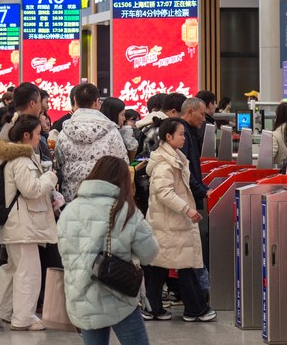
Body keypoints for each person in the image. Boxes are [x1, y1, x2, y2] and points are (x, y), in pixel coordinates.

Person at [57, 156, 159, 344]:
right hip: (119, 295)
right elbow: (149, 253)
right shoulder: (125, 210)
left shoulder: (69, 210)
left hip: (81, 296)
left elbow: (65, 252)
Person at [0, 115, 58, 332]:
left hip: (19, 223)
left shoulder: (16, 158)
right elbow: (31, 190)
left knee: (14, 269)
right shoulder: (21, 160)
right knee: (28, 272)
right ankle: (23, 317)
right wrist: (50, 178)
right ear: (26, 135)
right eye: (38, 134)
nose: (40, 138)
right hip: (23, 224)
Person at [143, 118, 216, 322]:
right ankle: (195, 309)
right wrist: (187, 210)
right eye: (181, 134)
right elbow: (164, 192)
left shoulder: (173, 158)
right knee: (184, 264)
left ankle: (153, 307)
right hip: (170, 222)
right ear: (168, 136)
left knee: (161, 266)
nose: (185, 138)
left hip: (169, 222)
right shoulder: (165, 164)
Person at [54, 83, 128, 202]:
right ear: (97, 102)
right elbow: (123, 164)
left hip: (73, 200)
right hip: (105, 198)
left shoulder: (64, 133)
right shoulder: (111, 131)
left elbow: (58, 164)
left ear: (75, 100)